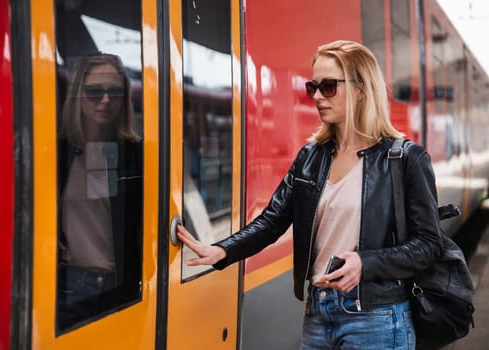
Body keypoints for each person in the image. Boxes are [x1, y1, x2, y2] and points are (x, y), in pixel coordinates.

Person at [177, 40, 443, 349]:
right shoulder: (311, 156)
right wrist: (222, 251)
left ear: (360, 88)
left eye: (328, 86)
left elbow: (428, 244)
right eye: (312, 87)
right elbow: (273, 220)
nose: (316, 96)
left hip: (377, 318)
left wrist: (366, 263)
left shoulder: (405, 159)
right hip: (319, 314)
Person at [57, 53, 143, 331]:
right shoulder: (57, 153)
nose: (106, 100)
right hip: (70, 285)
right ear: (78, 95)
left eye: (115, 92)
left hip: (120, 289)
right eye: (95, 92)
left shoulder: (135, 154)